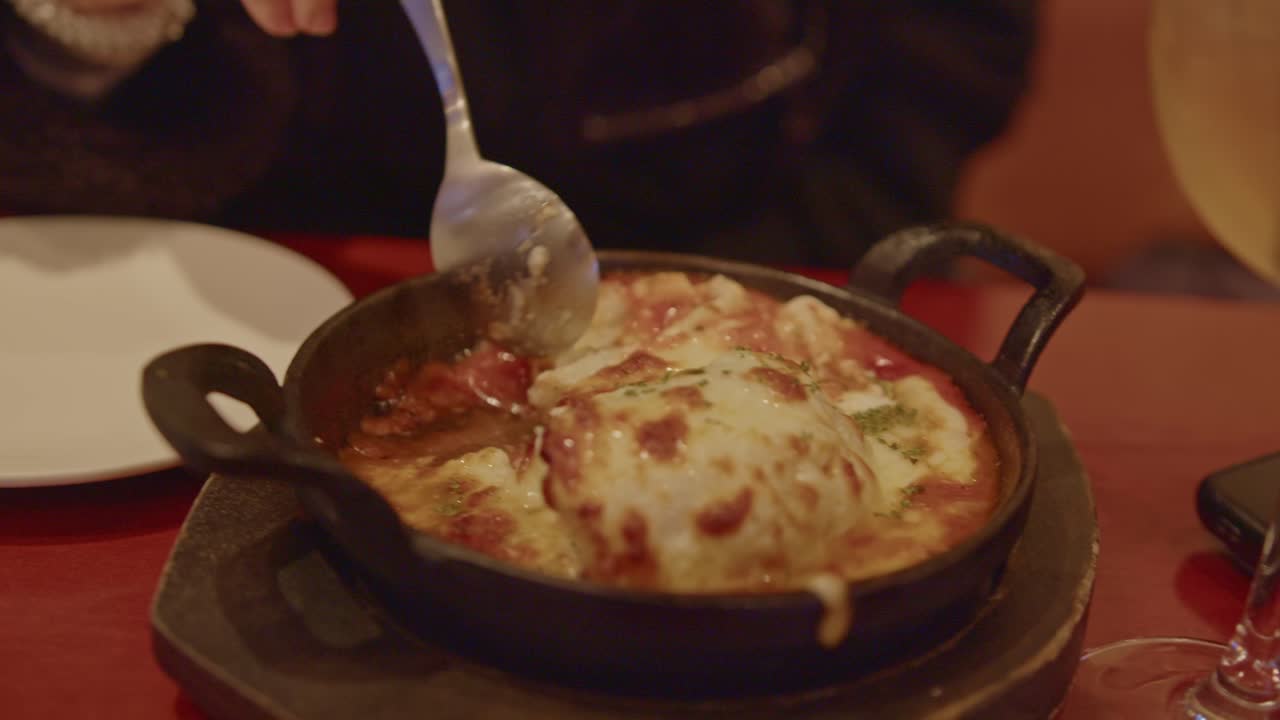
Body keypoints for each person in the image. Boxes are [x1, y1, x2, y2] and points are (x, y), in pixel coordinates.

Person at [0, 0, 1038, 268]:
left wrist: (748, 309)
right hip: (291, 319)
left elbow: (945, 61)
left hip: (785, 274)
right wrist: (100, 24)